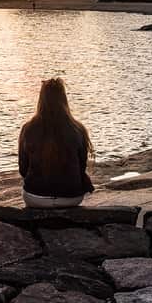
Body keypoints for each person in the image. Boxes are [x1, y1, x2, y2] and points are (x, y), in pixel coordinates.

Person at [18, 78, 94, 208]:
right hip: (71, 197)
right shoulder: (78, 128)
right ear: (64, 99)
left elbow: (23, 169)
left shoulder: (28, 128)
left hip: (35, 197)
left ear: (41, 100)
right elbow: (81, 166)